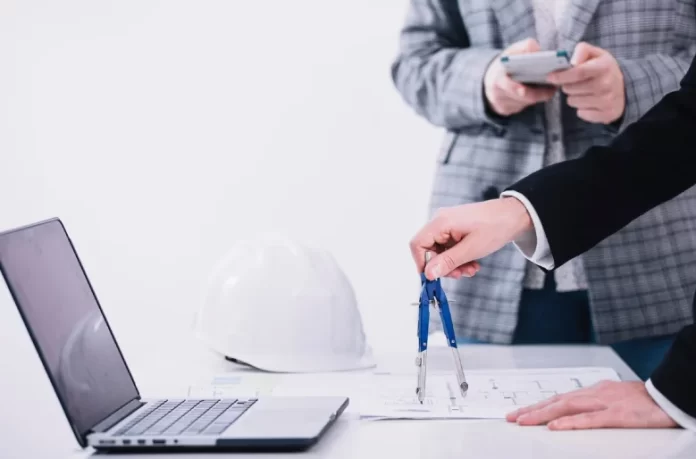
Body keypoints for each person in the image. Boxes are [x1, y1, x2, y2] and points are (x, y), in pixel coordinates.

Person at [391, 0, 696, 379]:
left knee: (668, 425)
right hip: (491, 252)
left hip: (656, 238)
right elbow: (414, 63)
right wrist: (484, 80)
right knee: (487, 430)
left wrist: (635, 86)